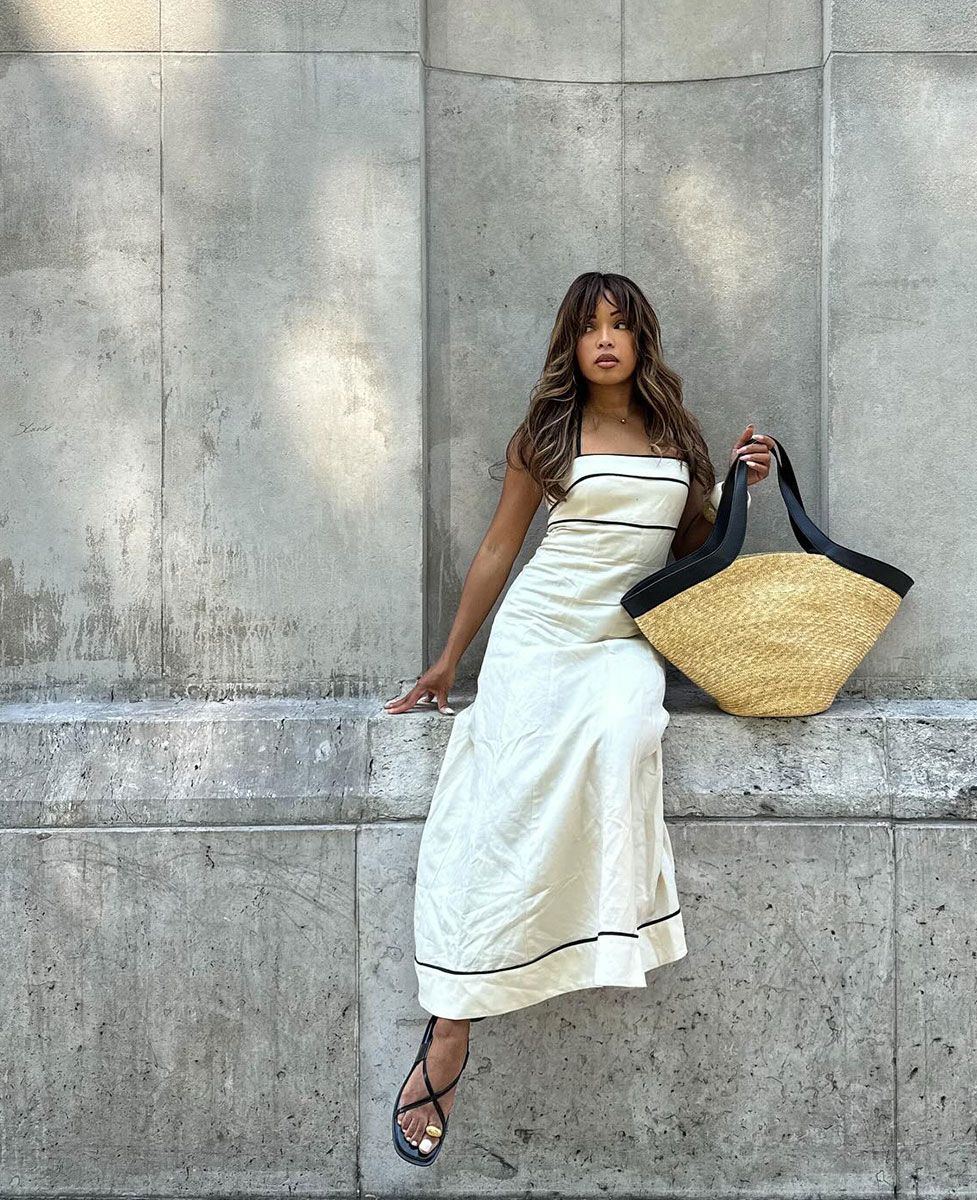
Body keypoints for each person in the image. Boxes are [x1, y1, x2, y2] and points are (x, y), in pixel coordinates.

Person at [383, 271, 774, 1165]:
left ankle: (578, 939)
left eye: (620, 326)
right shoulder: (546, 435)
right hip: (540, 634)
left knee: (626, 734)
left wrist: (743, 486)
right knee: (499, 805)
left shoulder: (676, 435)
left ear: (641, 340)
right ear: (570, 340)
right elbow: (499, 547)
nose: (605, 339)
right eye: (590, 326)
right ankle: (451, 1024)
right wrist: (451, 659)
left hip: (620, 641)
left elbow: (692, 547)